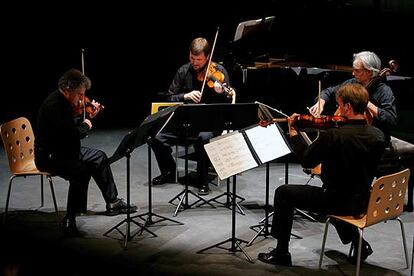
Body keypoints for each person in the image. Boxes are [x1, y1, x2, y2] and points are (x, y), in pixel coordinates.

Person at [257, 83, 386, 266]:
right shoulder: (378, 135)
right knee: (340, 197)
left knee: (284, 193)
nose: (337, 110)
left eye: (340, 105)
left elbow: (307, 161)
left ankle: (281, 253)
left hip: (337, 201)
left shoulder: (334, 135)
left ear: (348, 107)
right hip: (365, 200)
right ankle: (360, 244)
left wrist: (294, 132)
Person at [34, 68, 137, 237]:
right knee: (80, 172)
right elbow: (70, 136)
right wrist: (86, 124)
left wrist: (89, 118)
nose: (82, 99)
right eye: (79, 94)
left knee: (99, 157)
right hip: (50, 156)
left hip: (65, 150)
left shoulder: (65, 103)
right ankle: (70, 219)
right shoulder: (54, 106)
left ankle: (112, 202)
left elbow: (69, 131)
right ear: (67, 90)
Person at [309, 50, 413, 212]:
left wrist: (367, 103)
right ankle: (335, 194)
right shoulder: (352, 83)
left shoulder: (384, 91)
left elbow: (391, 119)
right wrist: (321, 102)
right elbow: (329, 91)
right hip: (353, 136)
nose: (353, 73)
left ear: (369, 72)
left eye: (357, 70)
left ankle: (351, 197)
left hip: (375, 139)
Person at [150, 37, 234, 195]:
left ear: (207, 57)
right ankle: (169, 172)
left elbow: (228, 101)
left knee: (203, 138)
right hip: (186, 123)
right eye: (192, 58)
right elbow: (169, 97)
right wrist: (185, 96)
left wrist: (220, 92)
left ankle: (202, 180)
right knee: (155, 137)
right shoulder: (183, 71)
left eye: (199, 59)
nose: (195, 63)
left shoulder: (219, 71)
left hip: (210, 124)